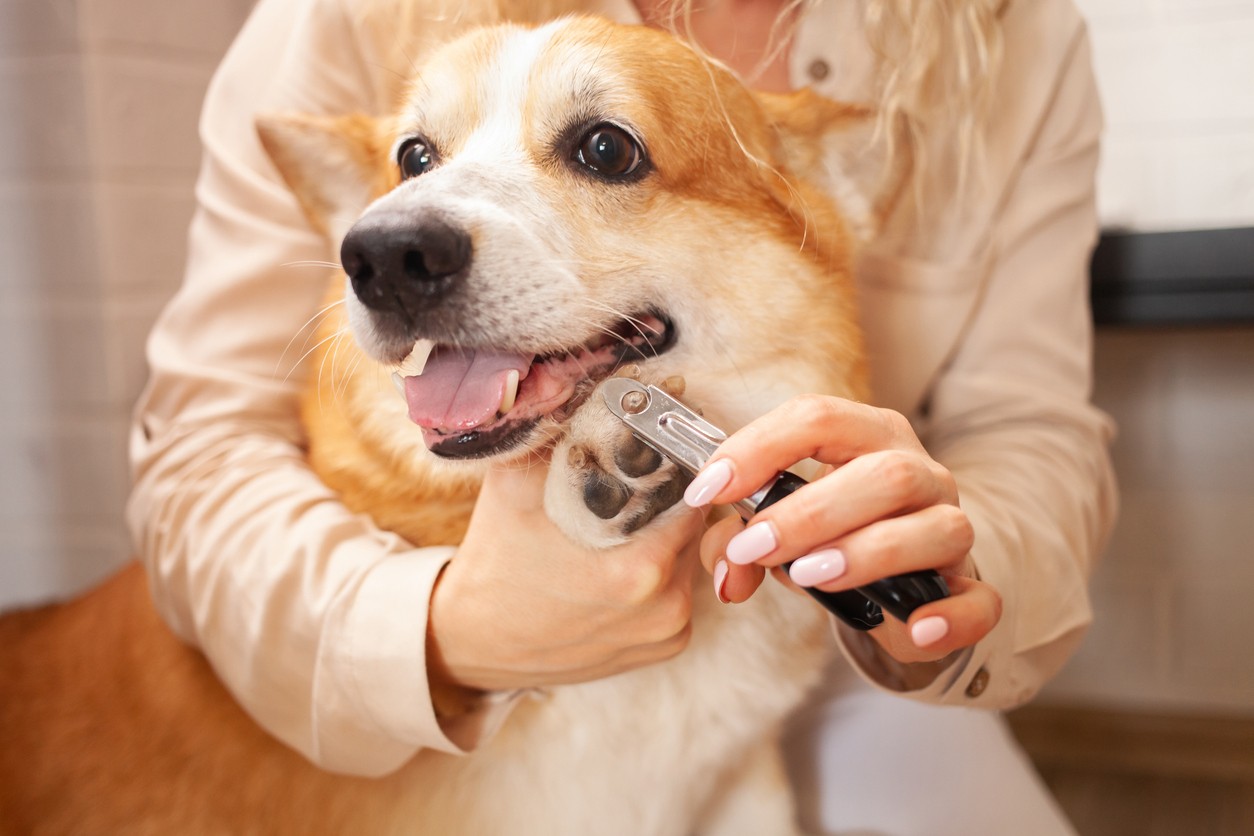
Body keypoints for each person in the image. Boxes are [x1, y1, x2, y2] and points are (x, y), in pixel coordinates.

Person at [127, 0, 1116, 831]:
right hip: (379, 645)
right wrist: (440, 631)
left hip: (820, 648)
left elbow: (1030, 431)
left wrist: (942, 580)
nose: (393, 234)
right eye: (417, 158)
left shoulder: (1015, 35)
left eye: (603, 149)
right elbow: (195, 451)